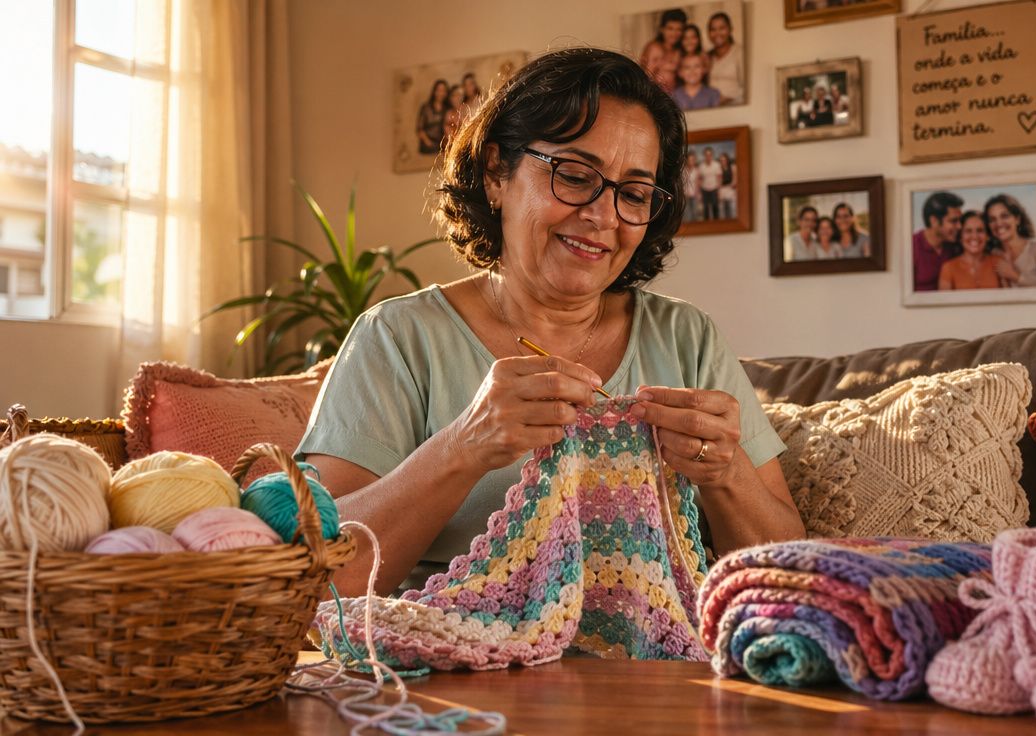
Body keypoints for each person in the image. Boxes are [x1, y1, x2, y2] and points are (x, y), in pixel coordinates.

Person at [298, 48, 804, 597]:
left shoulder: (688, 340)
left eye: (633, 194)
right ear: (496, 172)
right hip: (455, 667)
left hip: (665, 670)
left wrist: (727, 474)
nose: (603, 216)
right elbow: (321, 588)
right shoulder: (397, 338)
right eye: (574, 174)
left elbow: (791, 576)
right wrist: (464, 446)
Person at [986, 194, 1036, 289]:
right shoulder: (991, 255)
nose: (998, 223)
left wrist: (1015, 276)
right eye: (992, 219)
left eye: (1004, 216)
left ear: (1017, 219)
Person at [938, 211, 1003, 291]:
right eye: (968, 231)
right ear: (960, 237)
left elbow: (1009, 300)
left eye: (980, 230)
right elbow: (944, 302)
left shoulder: (998, 262)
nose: (974, 236)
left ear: (987, 236)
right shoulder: (948, 268)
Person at [912, 192, 963, 291]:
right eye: (953, 221)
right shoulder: (911, 247)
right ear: (934, 221)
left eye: (959, 221)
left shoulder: (955, 244)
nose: (959, 226)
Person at [639, 9, 686, 94]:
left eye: (679, 29)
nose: (674, 33)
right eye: (670, 28)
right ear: (662, 29)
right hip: (656, 98)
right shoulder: (655, 48)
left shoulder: (678, 51)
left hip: (673, 97)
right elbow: (645, 78)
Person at [706, 12, 743, 105]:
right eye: (713, 29)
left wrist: (728, 99)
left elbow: (748, 89)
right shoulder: (707, 56)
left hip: (735, 106)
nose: (717, 33)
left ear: (730, 29)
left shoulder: (739, 53)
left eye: (722, 28)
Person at [416, 79, 451, 155]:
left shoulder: (447, 109)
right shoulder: (426, 108)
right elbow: (419, 129)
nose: (441, 93)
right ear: (434, 91)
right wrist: (429, 143)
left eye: (443, 91)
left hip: (442, 147)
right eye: (439, 90)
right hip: (427, 146)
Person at [696, 147, 722, 221]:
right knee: (706, 209)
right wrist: (699, 192)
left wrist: (719, 191)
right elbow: (699, 179)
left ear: (712, 155)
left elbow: (719, 178)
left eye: (710, 155)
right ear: (704, 155)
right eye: (706, 155)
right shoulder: (701, 166)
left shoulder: (716, 165)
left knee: (715, 208)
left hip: (714, 189)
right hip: (704, 190)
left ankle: (717, 224)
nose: (708, 156)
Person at [716, 152, 736, 220]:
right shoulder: (719, 169)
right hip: (722, 189)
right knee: (722, 210)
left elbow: (735, 178)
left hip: (730, 189)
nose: (723, 162)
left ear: (727, 160)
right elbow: (719, 182)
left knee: (731, 208)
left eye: (724, 160)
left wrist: (732, 185)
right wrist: (719, 192)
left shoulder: (732, 167)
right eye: (721, 160)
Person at [681, 151, 699, 221]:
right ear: (687, 160)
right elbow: (682, 183)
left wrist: (697, 194)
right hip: (685, 195)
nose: (691, 161)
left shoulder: (697, 170)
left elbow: (698, 183)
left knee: (695, 213)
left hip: (694, 195)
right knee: (686, 214)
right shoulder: (683, 171)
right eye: (690, 160)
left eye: (693, 160)